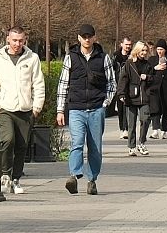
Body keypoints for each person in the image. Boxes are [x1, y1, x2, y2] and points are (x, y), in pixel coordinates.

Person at [55, 23, 117, 196]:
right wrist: (60, 110)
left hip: (97, 109)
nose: (87, 39)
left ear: (95, 37)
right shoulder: (71, 57)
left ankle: (92, 179)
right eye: (84, 36)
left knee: (95, 147)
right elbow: (63, 84)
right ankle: (74, 176)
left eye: (90, 36)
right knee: (77, 143)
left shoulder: (103, 58)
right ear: (79, 38)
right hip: (76, 108)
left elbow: (112, 83)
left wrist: (105, 103)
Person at [0, 26, 45, 196]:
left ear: (25, 40)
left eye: (21, 40)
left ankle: (15, 179)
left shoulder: (32, 58)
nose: (17, 44)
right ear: (8, 39)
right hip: (5, 109)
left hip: (25, 110)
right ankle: (4, 175)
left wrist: (36, 108)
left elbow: (38, 84)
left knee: (22, 146)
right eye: (14, 40)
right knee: (8, 140)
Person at [115, 41, 152, 156]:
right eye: (142, 50)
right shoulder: (129, 64)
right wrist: (121, 94)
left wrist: (148, 77)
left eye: (146, 51)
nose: (144, 53)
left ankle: (141, 142)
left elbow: (154, 80)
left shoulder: (148, 65)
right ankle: (131, 146)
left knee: (145, 119)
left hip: (144, 97)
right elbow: (123, 79)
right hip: (131, 97)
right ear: (137, 50)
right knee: (131, 124)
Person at [147, 39, 167, 139]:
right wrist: (155, 68)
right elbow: (147, 70)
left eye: (161, 49)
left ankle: (164, 130)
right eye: (158, 49)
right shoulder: (152, 60)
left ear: (165, 50)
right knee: (155, 108)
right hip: (155, 87)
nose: (159, 51)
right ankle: (155, 129)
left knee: (166, 108)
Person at [112, 37, 133, 139]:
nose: (128, 46)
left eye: (129, 44)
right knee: (121, 109)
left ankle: (127, 129)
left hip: (130, 85)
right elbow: (112, 70)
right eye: (126, 44)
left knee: (128, 108)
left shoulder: (133, 56)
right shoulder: (116, 56)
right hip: (119, 85)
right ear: (121, 44)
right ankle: (122, 129)